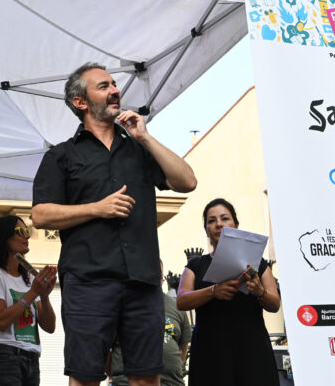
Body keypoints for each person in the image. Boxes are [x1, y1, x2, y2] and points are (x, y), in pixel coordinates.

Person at [32, 63, 197, 386]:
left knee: (147, 378)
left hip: (142, 282)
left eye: (114, 85)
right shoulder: (62, 156)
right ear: (81, 102)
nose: (115, 90)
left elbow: (187, 181)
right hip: (88, 281)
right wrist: (97, 208)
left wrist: (145, 137)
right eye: (104, 86)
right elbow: (41, 215)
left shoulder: (139, 149)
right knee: (85, 377)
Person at [176, 198, 280, 386]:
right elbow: (181, 301)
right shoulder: (195, 265)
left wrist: (259, 292)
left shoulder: (258, 263)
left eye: (224, 218)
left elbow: (274, 304)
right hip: (210, 350)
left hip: (252, 348)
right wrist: (213, 291)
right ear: (206, 229)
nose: (219, 224)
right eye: (211, 220)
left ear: (236, 225)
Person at [0, 214, 57, 386]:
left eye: (27, 230)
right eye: (21, 231)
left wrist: (44, 296)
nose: (27, 236)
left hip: (32, 357)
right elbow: (0, 321)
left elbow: (50, 327)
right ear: (4, 236)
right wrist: (33, 292)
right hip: (6, 355)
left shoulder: (29, 277)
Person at [108, 261, 191, 386]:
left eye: (158, 275)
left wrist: (174, 369)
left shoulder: (176, 306)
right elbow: (105, 350)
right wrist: (119, 376)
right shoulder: (119, 306)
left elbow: (183, 345)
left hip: (172, 383)